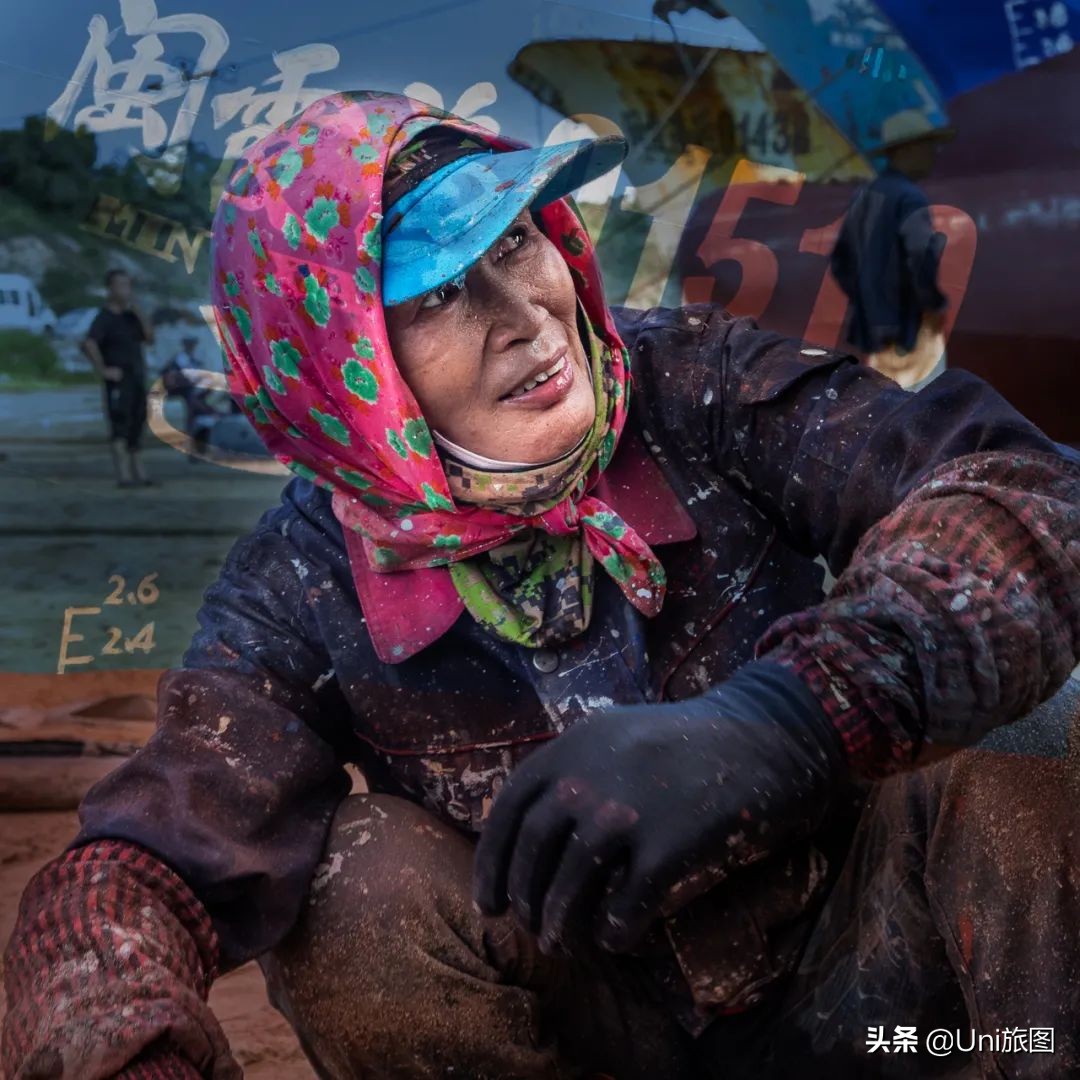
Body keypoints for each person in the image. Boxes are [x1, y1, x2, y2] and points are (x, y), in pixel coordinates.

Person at [5, 91, 1080, 1080]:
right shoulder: (301, 577)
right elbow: (139, 873)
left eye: (514, 238)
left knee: (1027, 726)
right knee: (354, 885)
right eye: (434, 295)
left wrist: (790, 720)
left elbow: (1032, 493)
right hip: (603, 1045)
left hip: (896, 1017)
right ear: (340, 369)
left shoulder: (697, 387)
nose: (522, 312)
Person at [830, 109, 953, 390]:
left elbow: (840, 263)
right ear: (907, 149)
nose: (933, 154)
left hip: (876, 336)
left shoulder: (864, 195)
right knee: (924, 416)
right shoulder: (910, 197)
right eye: (927, 146)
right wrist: (932, 304)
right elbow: (921, 255)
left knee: (886, 411)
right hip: (911, 331)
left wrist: (870, 301)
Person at [82, 269, 156, 486]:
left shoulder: (132, 316)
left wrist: (139, 311)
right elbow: (89, 343)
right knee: (119, 426)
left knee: (137, 423)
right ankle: (123, 475)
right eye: (120, 285)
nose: (125, 289)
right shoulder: (104, 317)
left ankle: (139, 472)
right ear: (110, 289)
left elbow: (149, 338)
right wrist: (103, 369)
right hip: (118, 379)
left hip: (137, 376)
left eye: (127, 285)